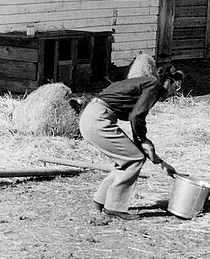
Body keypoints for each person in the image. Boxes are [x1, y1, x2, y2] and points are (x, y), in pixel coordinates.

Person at [79, 63, 184, 220]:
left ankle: (100, 201)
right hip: (98, 118)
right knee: (134, 158)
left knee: (126, 158)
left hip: (92, 116)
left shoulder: (147, 83)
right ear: (168, 81)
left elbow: (135, 119)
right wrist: (143, 140)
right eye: (175, 88)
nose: (173, 94)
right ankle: (113, 207)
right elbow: (136, 117)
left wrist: (159, 161)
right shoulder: (153, 85)